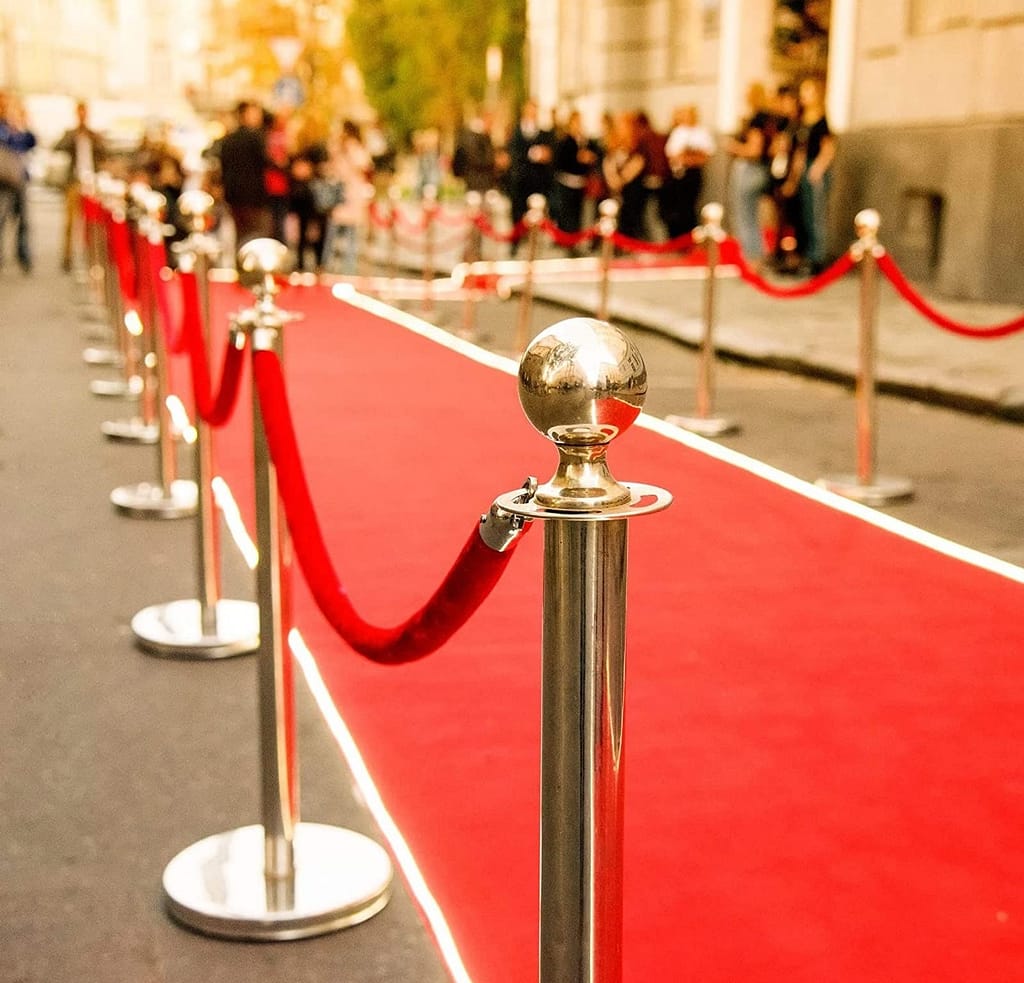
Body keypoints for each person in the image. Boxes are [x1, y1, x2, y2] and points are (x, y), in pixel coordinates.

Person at [786, 77, 835, 275]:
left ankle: (817, 257)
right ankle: (805, 256)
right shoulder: (801, 121)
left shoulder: (821, 120)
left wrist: (818, 168)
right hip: (803, 169)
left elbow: (828, 147)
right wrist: (793, 178)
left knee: (816, 214)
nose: (803, 96)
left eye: (808, 92)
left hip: (816, 170)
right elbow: (799, 152)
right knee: (804, 215)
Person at [724, 82, 775, 267]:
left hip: (751, 170)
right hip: (761, 170)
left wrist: (734, 147)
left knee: (746, 216)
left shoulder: (758, 119)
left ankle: (752, 259)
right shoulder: (770, 118)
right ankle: (755, 257)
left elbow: (754, 150)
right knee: (751, 216)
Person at [54, 100, 105, 273]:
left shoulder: (93, 134)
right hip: (74, 181)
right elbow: (58, 146)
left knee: (93, 222)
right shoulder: (71, 133)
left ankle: (92, 257)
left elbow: (104, 152)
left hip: (92, 181)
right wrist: (74, 137)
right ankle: (67, 257)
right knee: (70, 222)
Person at [216, 100, 271, 248]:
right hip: (253, 197)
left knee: (240, 236)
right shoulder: (256, 138)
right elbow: (267, 162)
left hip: (234, 196)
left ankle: (241, 266)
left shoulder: (228, 140)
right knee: (256, 237)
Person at [662, 104, 715, 241]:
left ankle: (689, 238)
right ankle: (677, 238)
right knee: (677, 207)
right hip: (679, 174)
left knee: (690, 207)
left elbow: (705, 155)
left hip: (694, 174)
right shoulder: (678, 132)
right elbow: (673, 154)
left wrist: (690, 157)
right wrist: (688, 156)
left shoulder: (702, 132)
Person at [506, 100, 554, 247]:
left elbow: (551, 153)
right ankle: (516, 241)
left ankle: (533, 241)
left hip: (537, 179)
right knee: (518, 211)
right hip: (520, 179)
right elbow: (512, 154)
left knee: (535, 211)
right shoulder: (515, 132)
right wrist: (529, 154)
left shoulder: (543, 133)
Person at [0, 92, 36, 273]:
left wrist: (22, 123)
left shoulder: (15, 125)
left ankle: (23, 254)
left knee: (23, 220)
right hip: (3, 180)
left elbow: (30, 141)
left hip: (18, 178)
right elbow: (11, 141)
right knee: (2, 218)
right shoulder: (4, 128)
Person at [601, 112, 647, 244]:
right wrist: (613, 179)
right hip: (614, 186)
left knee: (631, 217)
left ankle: (629, 243)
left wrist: (622, 179)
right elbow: (608, 162)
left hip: (632, 188)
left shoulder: (638, 145)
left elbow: (638, 162)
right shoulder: (611, 143)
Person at [452, 108, 497, 194]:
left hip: (483, 181)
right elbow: (474, 158)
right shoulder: (473, 137)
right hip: (475, 181)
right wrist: (493, 160)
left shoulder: (483, 136)